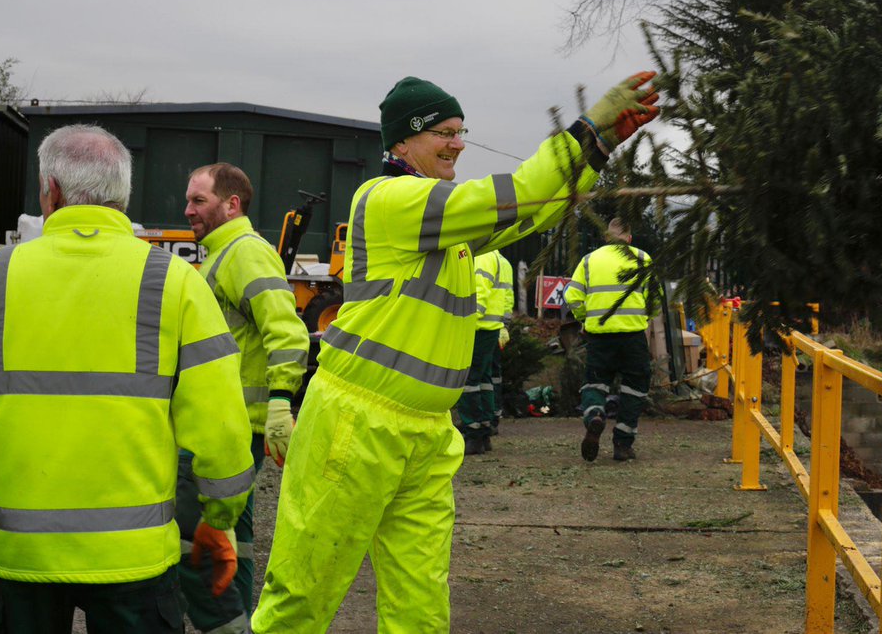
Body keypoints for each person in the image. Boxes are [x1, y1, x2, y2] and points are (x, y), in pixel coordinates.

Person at [252, 72, 659, 633]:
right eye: (444, 132)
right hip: (358, 423)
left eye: (461, 130)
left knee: (420, 603)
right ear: (401, 142)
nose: (459, 143)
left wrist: (597, 148)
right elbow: (509, 195)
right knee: (303, 591)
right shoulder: (392, 197)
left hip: (424, 430)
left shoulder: (441, 222)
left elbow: (530, 212)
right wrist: (583, 131)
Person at [0, 124, 254, 633]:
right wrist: (219, 518)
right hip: (137, 558)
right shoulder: (175, 281)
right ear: (122, 194)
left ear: (50, 190)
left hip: (24, 555)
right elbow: (222, 428)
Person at [179, 163, 310, 632]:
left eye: (198, 200)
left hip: (230, 427)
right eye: (189, 200)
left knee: (196, 534)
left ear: (231, 204)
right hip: (230, 424)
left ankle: (228, 624)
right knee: (235, 533)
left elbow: (287, 331)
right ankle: (244, 622)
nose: (187, 209)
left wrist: (280, 402)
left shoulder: (244, 253)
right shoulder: (221, 253)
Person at [565, 218, 659, 462]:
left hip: (599, 337)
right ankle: (623, 444)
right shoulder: (642, 258)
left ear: (606, 237)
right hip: (632, 336)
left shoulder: (589, 260)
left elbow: (572, 296)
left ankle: (595, 415)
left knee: (595, 384)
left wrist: (585, 317)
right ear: (629, 238)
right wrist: (644, 316)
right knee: (634, 388)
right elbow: (655, 301)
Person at [457, 250, 512, 454]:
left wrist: (465, 320)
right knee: (483, 380)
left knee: (467, 381)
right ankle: (485, 430)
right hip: (490, 326)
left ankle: (474, 432)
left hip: (477, 326)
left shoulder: (481, 257)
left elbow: (478, 292)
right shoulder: (497, 256)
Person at [489, 252, 514, 435]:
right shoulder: (504, 262)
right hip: (499, 324)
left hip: (484, 323)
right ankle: (494, 414)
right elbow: (508, 296)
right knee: (494, 373)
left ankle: (487, 415)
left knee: (481, 374)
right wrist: (505, 323)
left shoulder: (482, 259)